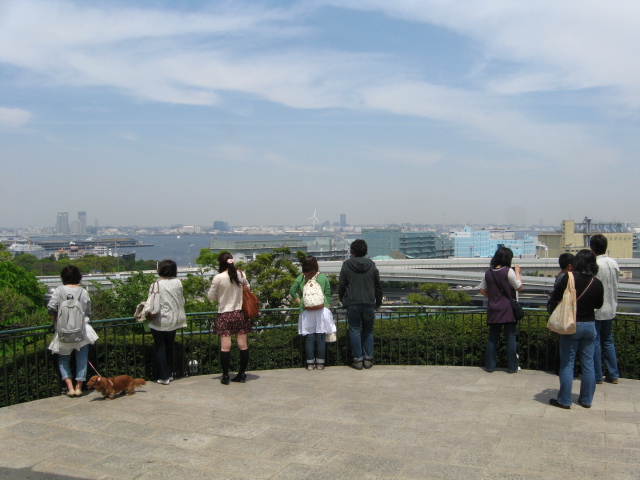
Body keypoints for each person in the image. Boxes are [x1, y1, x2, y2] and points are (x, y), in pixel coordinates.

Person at [549, 249, 604, 409]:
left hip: (571, 324)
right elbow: (599, 304)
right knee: (588, 364)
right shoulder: (596, 282)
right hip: (590, 325)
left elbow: (555, 297)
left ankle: (564, 400)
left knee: (567, 364)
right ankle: (586, 399)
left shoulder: (569, 278)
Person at [47, 265, 98, 397]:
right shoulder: (83, 291)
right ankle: (78, 388)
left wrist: (55, 323)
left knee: (63, 360)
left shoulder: (59, 290)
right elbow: (88, 311)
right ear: (78, 277)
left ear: (63, 277)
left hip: (63, 331)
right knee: (82, 360)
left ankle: (70, 388)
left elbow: (51, 307)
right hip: (82, 330)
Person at [207, 252, 252, 384]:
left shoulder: (218, 277)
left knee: (225, 347)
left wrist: (220, 297)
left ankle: (226, 376)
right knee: (243, 345)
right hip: (239, 313)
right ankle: (241, 374)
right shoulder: (241, 274)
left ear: (220, 263)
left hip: (224, 314)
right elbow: (248, 288)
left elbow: (210, 296)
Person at [338, 239, 383, 370]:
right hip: (369, 302)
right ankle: (368, 358)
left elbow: (341, 285)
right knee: (368, 330)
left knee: (355, 329)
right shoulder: (371, 265)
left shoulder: (347, 265)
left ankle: (358, 359)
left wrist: (343, 300)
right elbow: (377, 286)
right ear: (365, 251)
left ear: (352, 251)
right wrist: (378, 302)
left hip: (353, 302)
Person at [479, 247, 523, 373]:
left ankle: (490, 366)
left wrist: (493, 297)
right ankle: (512, 367)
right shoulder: (508, 271)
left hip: (493, 308)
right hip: (508, 309)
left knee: (493, 338)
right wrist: (517, 272)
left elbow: (482, 290)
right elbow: (519, 287)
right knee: (510, 338)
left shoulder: (487, 273)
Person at [143, 259, 187, 385]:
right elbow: (182, 300)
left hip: (160, 320)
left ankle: (164, 376)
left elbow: (150, 303)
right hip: (174, 319)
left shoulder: (156, 284)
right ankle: (169, 373)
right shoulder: (178, 282)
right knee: (169, 347)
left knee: (160, 348)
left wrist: (143, 313)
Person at [290, 256, 336, 370]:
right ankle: (320, 363)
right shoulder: (322, 277)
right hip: (321, 310)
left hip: (307, 311)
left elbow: (292, 291)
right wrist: (326, 305)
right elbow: (328, 293)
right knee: (320, 337)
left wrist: (300, 302)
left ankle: (310, 363)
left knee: (309, 338)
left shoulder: (301, 277)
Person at [590, 234, 621, 384]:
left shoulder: (595, 264)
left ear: (592, 248)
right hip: (610, 307)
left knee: (595, 342)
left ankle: (597, 375)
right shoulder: (614, 263)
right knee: (608, 340)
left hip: (596, 309)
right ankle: (613, 374)